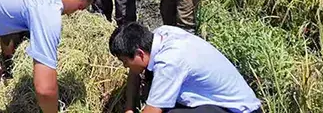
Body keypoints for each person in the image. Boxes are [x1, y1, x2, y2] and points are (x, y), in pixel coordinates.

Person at [109, 22, 262, 113]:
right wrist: (129, 107)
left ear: (139, 54)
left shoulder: (169, 63)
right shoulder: (161, 34)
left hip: (238, 110)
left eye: (125, 62)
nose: (125, 66)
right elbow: (134, 72)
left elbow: (152, 111)